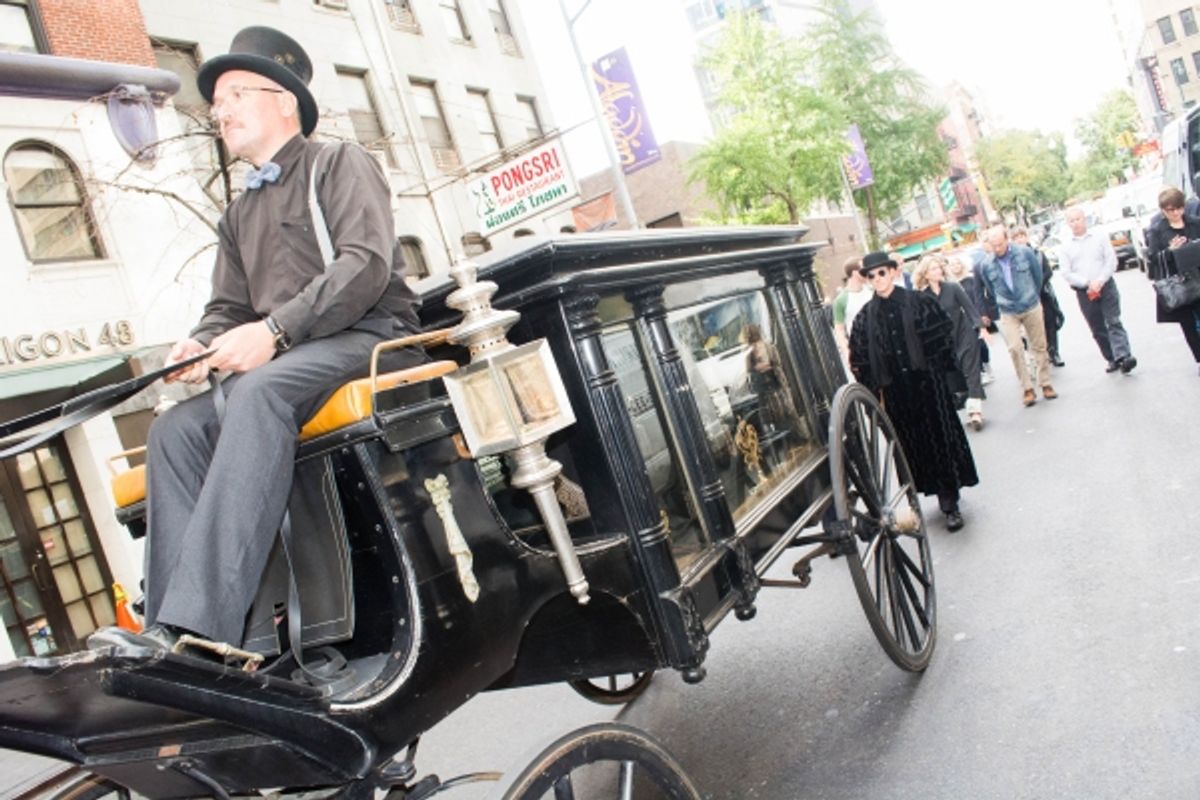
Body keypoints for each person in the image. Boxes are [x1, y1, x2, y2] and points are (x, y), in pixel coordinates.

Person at [89, 27, 423, 654]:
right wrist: (200, 346)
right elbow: (227, 308)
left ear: (285, 101)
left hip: (373, 338)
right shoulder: (238, 213)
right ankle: (176, 630)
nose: (220, 111)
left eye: (235, 94)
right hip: (298, 356)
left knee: (260, 393)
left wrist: (274, 331)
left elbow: (365, 266)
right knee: (174, 430)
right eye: (215, 103)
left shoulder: (337, 163)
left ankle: (201, 625)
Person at [849, 251, 979, 531]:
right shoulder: (864, 319)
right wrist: (873, 399)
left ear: (894, 272)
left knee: (940, 444)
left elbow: (943, 342)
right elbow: (860, 362)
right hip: (896, 395)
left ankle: (949, 503)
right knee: (910, 450)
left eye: (882, 273)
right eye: (871, 276)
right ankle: (917, 499)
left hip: (929, 388)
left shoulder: (920, 303)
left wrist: (954, 385)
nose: (877, 279)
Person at [979, 225, 1058, 406]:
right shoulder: (986, 264)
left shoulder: (1024, 253)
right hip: (1007, 310)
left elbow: (1037, 276)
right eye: (993, 245)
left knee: (1039, 345)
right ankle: (1027, 387)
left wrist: (1032, 295)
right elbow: (990, 290)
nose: (997, 249)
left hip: (1030, 304)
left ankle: (1045, 383)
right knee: (1014, 347)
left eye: (1000, 244)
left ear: (1007, 239)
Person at [1057, 206, 1137, 374]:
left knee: (1113, 320)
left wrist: (1100, 280)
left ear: (1084, 219)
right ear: (1067, 224)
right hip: (1084, 291)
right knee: (1097, 326)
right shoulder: (1065, 246)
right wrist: (1087, 283)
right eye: (1071, 220)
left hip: (1106, 285)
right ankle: (1111, 358)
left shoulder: (1099, 237)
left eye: (1078, 219)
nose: (1075, 223)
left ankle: (1123, 355)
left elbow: (1111, 260)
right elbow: (1066, 272)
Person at [913, 255, 987, 430]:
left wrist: (981, 328)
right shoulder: (922, 297)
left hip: (964, 334)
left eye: (938, 267)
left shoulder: (953, 288)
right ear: (925, 274)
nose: (938, 270)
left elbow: (970, 309)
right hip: (943, 343)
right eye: (933, 269)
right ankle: (965, 403)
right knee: (955, 378)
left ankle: (975, 412)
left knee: (972, 372)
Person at [1144, 187, 1200, 375]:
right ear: (1163, 211)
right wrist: (1170, 250)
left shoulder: (1194, 223)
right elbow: (1152, 257)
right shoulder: (1157, 230)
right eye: (1170, 210)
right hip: (1179, 284)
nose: (1175, 213)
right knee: (1189, 323)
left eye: (1178, 208)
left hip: (1198, 276)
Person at [1012, 226, 1065, 367]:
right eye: (1016, 237)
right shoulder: (1012, 260)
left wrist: (1036, 284)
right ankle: (1041, 354)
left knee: (1050, 323)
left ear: (1027, 237)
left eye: (1022, 236)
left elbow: (1048, 272)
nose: (1019, 239)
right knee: (1033, 327)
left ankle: (1054, 352)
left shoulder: (1038, 254)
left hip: (1043, 294)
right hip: (1026, 299)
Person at [951, 252, 996, 385]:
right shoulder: (951, 284)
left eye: (957, 263)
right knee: (972, 347)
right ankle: (980, 371)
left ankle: (987, 366)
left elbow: (979, 297)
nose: (955, 266)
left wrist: (983, 315)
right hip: (963, 321)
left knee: (982, 345)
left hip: (975, 316)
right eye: (952, 265)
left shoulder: (971, 279)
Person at [832, 255, 872, 356]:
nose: (867, 272)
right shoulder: (841, 300)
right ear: (855, 273)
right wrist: (846, 351)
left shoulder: (872, 291)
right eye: (863, 269)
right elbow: (839, 329)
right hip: (862, 349)